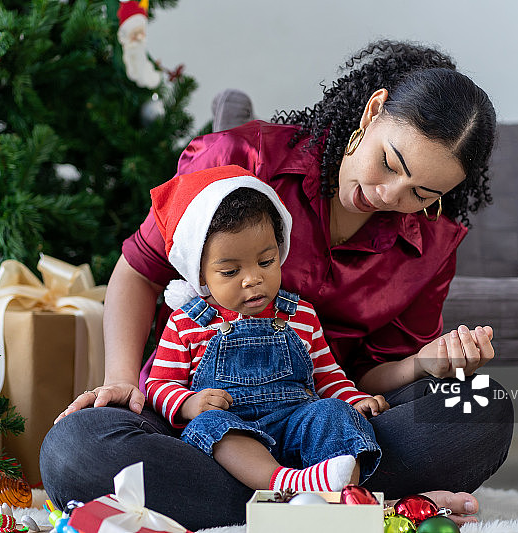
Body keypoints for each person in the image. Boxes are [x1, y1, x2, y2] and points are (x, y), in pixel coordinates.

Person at [41, 40, 514, 530]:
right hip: (195, 419)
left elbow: (367, 380)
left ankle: (293, 506)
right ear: (373, 112)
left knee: (482, 408)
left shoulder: (431, 245)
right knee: (74, 451)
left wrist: (423, 364)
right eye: (390, 163)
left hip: (331, 422)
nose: (388, 195)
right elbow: (139, 271)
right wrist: (121, 383)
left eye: (421, 193)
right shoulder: (242, 159)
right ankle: (356, 510)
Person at [146, 167, 385, 493]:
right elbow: (159, 384)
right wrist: (189, 403)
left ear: (280, 251)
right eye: (230, 271)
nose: (252, 279)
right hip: (236, 438)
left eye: (266, 262)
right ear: (200, 274)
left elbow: (328, 376)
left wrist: (354, 400)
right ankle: (283, 484)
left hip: (297, 427)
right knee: (210, 426)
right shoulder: (186, 324)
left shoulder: (300, 314)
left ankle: (341, 494)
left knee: (332, 411)